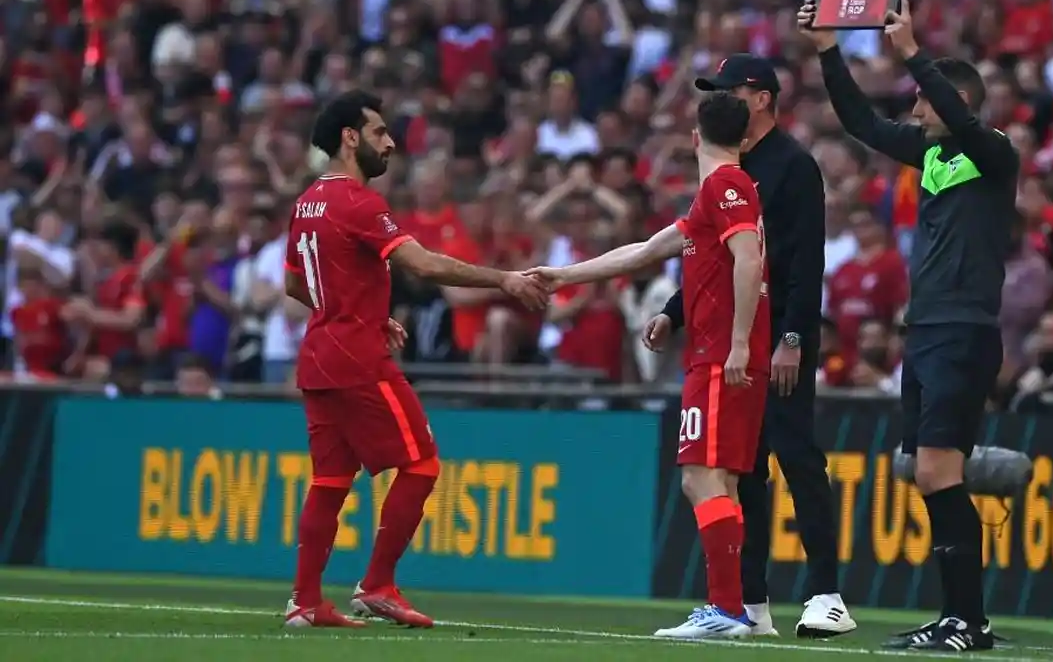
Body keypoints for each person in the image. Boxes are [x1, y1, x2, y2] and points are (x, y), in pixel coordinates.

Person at [799, 0, 1019, 652]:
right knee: (927, 473)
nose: (916, 112)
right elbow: (861, 122)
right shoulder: (932, 156)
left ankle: (966, 621)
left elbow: (956, 116)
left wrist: (914, 53)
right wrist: (828, 50)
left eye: (924, 101)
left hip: (963, 328)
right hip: (924, 329)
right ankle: (961, 618)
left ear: (957, 101)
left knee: (938, 473)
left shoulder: (994, 153)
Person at [282, 90, 548, 629]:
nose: (390, 143)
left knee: (330, 480)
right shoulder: (359, 202)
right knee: (421, 463)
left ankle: (305, 602)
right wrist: (503, 279)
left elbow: (295, 283)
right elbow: (422, 265)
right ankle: (377, 585)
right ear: (350, 138)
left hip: (319, 355)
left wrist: (359, 309)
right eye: (379, 132)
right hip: (357, 359)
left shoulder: (308, 201)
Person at [531, 92, 771, 639]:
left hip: (721, 356)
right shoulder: (720, 194)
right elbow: (643, 251)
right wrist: (565, 275)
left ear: (695, 138)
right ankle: (737, 609)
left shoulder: (725, 186)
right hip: (723, 354)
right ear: (744, 138)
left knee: (699, 477)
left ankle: (726, 610)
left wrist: (737, 342)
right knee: (722, 481)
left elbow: (749, 258)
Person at [650, 55, 853, 638]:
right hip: (744, 336)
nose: (720, 99)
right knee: (746, 469)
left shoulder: (792, 165)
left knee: (797, 454)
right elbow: (709, 255)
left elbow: (804, 260)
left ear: (762, 98)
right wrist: (673, 312)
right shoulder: (730, 167)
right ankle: (752, 602)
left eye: (730, 90)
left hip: (777, 333)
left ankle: (827, 595)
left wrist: (792, 337)